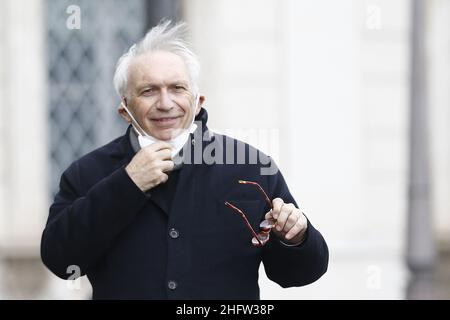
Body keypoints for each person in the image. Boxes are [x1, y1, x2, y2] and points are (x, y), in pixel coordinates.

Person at [41, 20, 328, 299]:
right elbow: (60, 261)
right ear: (125, 110)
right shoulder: (87, 172)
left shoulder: (250, 167)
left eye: (177, 88)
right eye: (148, 91)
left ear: (197, 100)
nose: (165, 103)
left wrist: (296, 237)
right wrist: (127, 185)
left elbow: (298, 274)